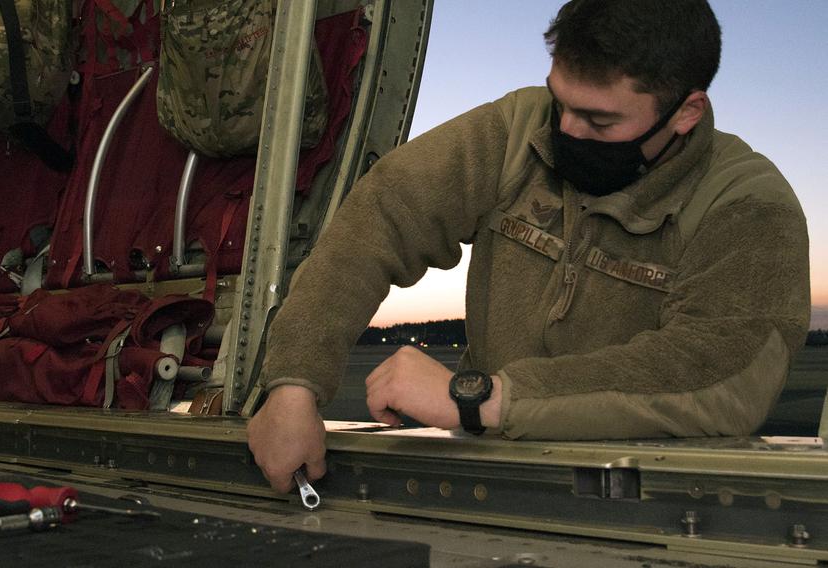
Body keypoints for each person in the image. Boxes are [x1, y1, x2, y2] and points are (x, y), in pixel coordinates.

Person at [247, 0, 811, 493]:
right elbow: (383, 217)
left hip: (650, 499)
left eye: (598, 119)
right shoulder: (521, 127)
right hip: (487, 471)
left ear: (686, 112)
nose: (565, 129)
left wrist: (482, 398)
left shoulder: (747, 203)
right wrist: (294, 384)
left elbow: (718, 371)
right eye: (559, 100)